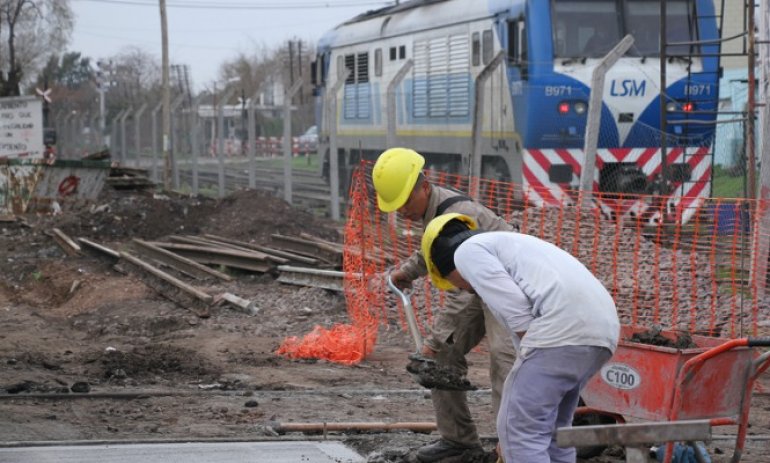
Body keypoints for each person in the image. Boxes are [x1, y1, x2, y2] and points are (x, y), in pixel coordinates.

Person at [420, 212, 620, 463]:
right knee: (555, 432)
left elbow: (515, 310)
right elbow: (523, 324)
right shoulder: (511, 247)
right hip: (600, 331)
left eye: (456, 284)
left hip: (560, 329)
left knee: (520, 430)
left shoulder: (466, 253)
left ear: (447, 266)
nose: (465, 289)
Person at [372, 147, 516, 462]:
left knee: (506, 363)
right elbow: (434, 251)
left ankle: (517, 449)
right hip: (480, 284)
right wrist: (407, 272)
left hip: (509, 286)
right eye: (396, 207)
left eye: (406, 202)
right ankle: (459, 443)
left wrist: (434, 343)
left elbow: (463, 290)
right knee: (441, 360)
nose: (403, 212)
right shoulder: (436, 212)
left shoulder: (458, 214)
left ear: (424, 186)